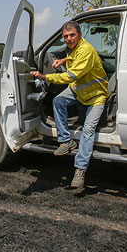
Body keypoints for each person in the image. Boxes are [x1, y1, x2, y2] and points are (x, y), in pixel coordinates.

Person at [30, 21, 109, 189]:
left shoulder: (86, 50)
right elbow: (74, 57)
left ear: (79, 35)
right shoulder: (75, 49)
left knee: (88, 131)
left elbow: (69, 77)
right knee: (58, 101)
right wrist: (63, 60)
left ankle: (80, 170)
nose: (69, 39)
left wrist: (45, 77)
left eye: (72, 35)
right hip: (79, 91)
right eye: (65, 36)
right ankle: (66, 141)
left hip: (96, 97)